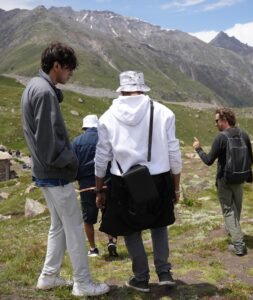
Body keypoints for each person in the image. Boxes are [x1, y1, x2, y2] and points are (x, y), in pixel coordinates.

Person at [21, 42, 109, 297]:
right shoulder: (45, 93)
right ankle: (83, 283)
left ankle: (49, 276)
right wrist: (72, 163)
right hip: (55, 173)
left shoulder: (35, 88)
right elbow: (50, 144)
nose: (71, 74)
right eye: (69, 68)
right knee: (73, 226)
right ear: (57, 66)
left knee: (58, 226)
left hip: (44, 171)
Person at [94, 70, 182, 293]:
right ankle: (164, 273)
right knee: (159, 225)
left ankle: (141, 278)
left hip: (123, 181)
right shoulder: (164, 113)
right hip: (160, 177)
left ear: (121, 90)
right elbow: (174, 152)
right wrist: (176, 185)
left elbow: (101, 157)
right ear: (143, 88)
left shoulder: (106, 118)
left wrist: (98, 189)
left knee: (131, 229)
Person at [192, 107, 253, 256]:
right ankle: (234, 234)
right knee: (236, 209)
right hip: (240, 178)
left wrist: (198, 149)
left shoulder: (221, 137)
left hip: (225, 179)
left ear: (225, 120)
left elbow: (208, 161)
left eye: (217, 120)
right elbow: (251, 159)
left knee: (228, 210)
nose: (215, 124)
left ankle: (238, 245)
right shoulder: (243, 134)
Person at [72, 114, 118, 257]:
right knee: (109, 213)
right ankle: (111, 241)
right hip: (106, 182)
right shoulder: (106, 139)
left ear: (84, 127)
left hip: (86, 184)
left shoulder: (76, 142)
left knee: (88, 219)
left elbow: (72, 164)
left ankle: (93, 249)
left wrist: (77, 177)